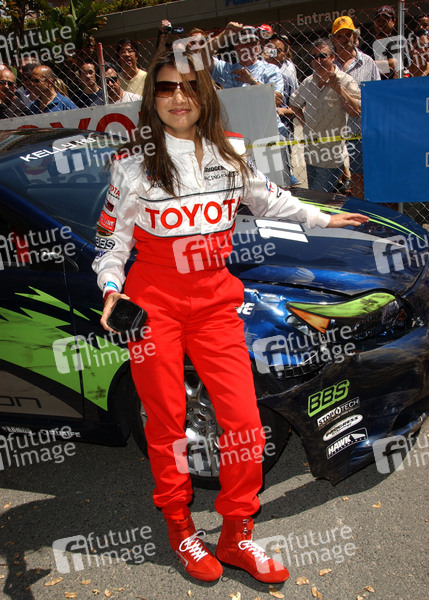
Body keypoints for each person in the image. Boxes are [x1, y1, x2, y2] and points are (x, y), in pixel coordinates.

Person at [92, 50, 368, 584]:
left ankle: (236, 534)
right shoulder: (132, 166)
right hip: (154, 306)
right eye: (165, 88)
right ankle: (180, 529)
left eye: (188, 87)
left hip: (216, 302)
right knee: (168, 424)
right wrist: (110, 287)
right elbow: (111, 241)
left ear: (205, 95)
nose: (177, 98)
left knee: (243, 424)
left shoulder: (231, 153)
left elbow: (271, 200)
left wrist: (324, 218)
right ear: (152, 100)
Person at [290, 39, 361, 193]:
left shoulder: (345, 80)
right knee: (317, 197)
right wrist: (304, 123)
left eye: (323, 56)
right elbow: (294, 104)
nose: (318, 60)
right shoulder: (308, 82)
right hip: (311, 153)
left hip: (331, 156)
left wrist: (338, 89)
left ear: (332, 57)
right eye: (314, 57)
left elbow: (356, 111)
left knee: (318, 197)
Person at [331, 16, 380, 198]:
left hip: (359, 129)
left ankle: (366, 210)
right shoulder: (328, 64)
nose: (344, 39)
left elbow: (376, 95)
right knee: (334, 179)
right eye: (339, 36)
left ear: (355, 36)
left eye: (348, 34)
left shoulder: (367, 62)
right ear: (333, 39)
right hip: (333, 131)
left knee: (360, 176)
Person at [360, 5, 404, 79]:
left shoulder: (397, 42)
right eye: (378, 20)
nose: (381, 23)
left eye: (384, 20)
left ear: (394, 22)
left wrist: (367, 65)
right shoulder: (365, 45)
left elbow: (392, 65)